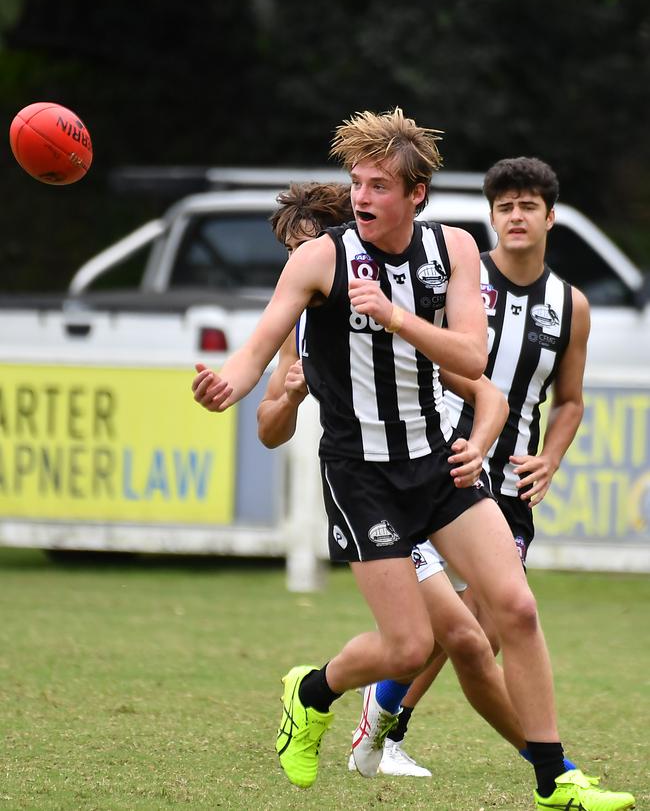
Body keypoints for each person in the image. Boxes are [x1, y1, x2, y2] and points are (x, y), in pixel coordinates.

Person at [191, 111, 634, 810]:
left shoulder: (452, 250)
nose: (363, 198)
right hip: (361, 475)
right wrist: (227, 382)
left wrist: (397, 317)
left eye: (379, 185)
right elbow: (259, 349)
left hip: (435, 464)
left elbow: (472, 358)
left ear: (417, 192)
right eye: (357, 184)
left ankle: (556, 777)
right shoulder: (320, 258)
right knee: (407, 646)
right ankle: (311, 690)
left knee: (514, 606)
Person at [258, 180, 536, 779]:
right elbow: (269, 429)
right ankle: (543, 764)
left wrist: (479, 446)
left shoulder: (395, 300)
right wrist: (287, 396)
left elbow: (487, 393)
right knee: (453, 640)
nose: (300, 264)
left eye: (307, 246)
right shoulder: (299, 321)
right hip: (371, 493)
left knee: (470, 636)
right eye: (290, 251)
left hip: (428, 476)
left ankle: (542, 762)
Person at [365, 157, 617, 788]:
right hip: (442, 470)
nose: (515, 216)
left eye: (528, 205)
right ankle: (389, 719)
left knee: (481, 632)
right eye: (504, 206)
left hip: (510, 490)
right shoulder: (461, 278)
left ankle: (386, 716)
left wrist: (551, 459)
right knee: (458, 631)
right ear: (491, 216)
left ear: (550, 217)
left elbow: (571, 400)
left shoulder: (570, 306)